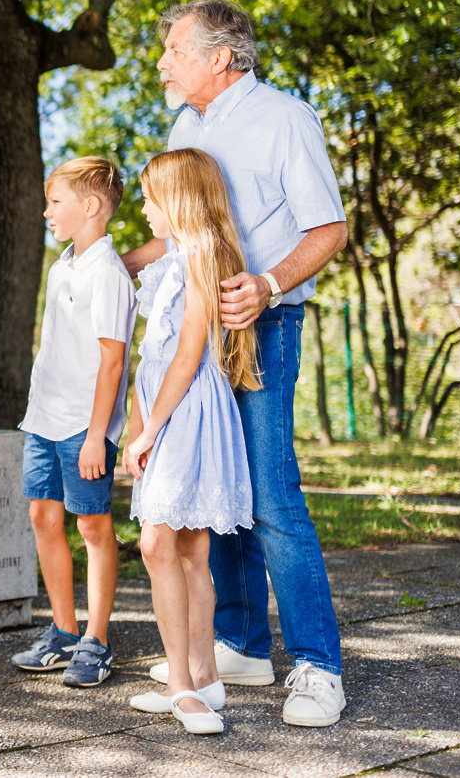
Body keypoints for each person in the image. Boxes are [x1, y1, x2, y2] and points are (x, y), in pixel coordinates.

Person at [123, 0, 349, 727]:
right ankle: (242, 645)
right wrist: (115, 266)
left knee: (272, 493)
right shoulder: (186, 126)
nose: (163, 63)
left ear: (220, 57)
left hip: (265, 322)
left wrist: (268, 284)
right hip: (196, 334)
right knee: (212, 488)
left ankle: (318, 665)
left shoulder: (285, 118)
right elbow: (180, 234)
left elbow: (329, 227)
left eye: (175, 51)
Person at [123, 149, 258, 735]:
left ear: (176, 200)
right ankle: (203, 675)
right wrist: (138, 422)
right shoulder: (171, 261)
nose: (144, 211)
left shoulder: (202, 255)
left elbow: (185, 357)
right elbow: (149, 358)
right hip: (165, 410)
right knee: (186, 549)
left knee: (160, 545)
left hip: (186, 412)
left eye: (149, 199)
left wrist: (150, 428)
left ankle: (181, 684)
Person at [11, 157, 135, 688]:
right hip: (43, 418)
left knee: (92, 525)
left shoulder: (108, 274)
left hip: (86, 428)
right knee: (43, 516)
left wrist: (96, 437)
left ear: (90, 206)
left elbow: (113, 362)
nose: (46, 212)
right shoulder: (62, 266)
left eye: (55, 202)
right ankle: (63, 632)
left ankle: (96, 641)